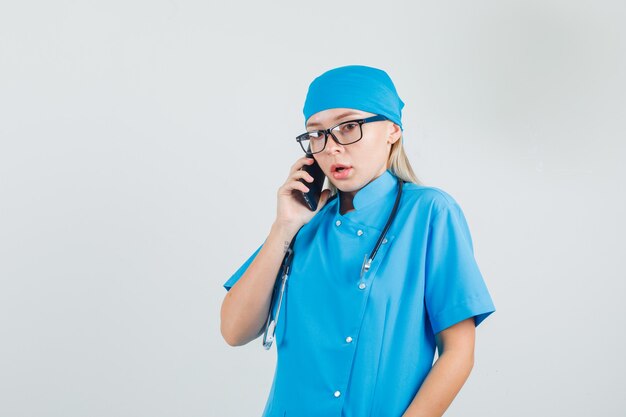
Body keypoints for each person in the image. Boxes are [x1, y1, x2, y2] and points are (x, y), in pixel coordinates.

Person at [220, 65, 495, 417]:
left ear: (392, 130)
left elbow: (458, 352)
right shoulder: (305, 223)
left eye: (348, 127)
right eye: (316, 134)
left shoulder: (429, 212)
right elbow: (234, 330)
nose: (331, 148)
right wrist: (283, 227)